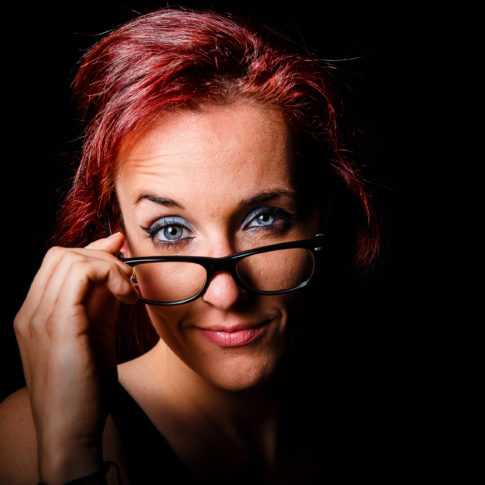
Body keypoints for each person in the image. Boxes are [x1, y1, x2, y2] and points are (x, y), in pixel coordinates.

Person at [0, 7, 379, 484]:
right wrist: (70, 451)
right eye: (171, 230)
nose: (225, 295)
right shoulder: (27, 436)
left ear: (321, 213)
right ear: (117, 242)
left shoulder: (365, 417)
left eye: (264, 219)